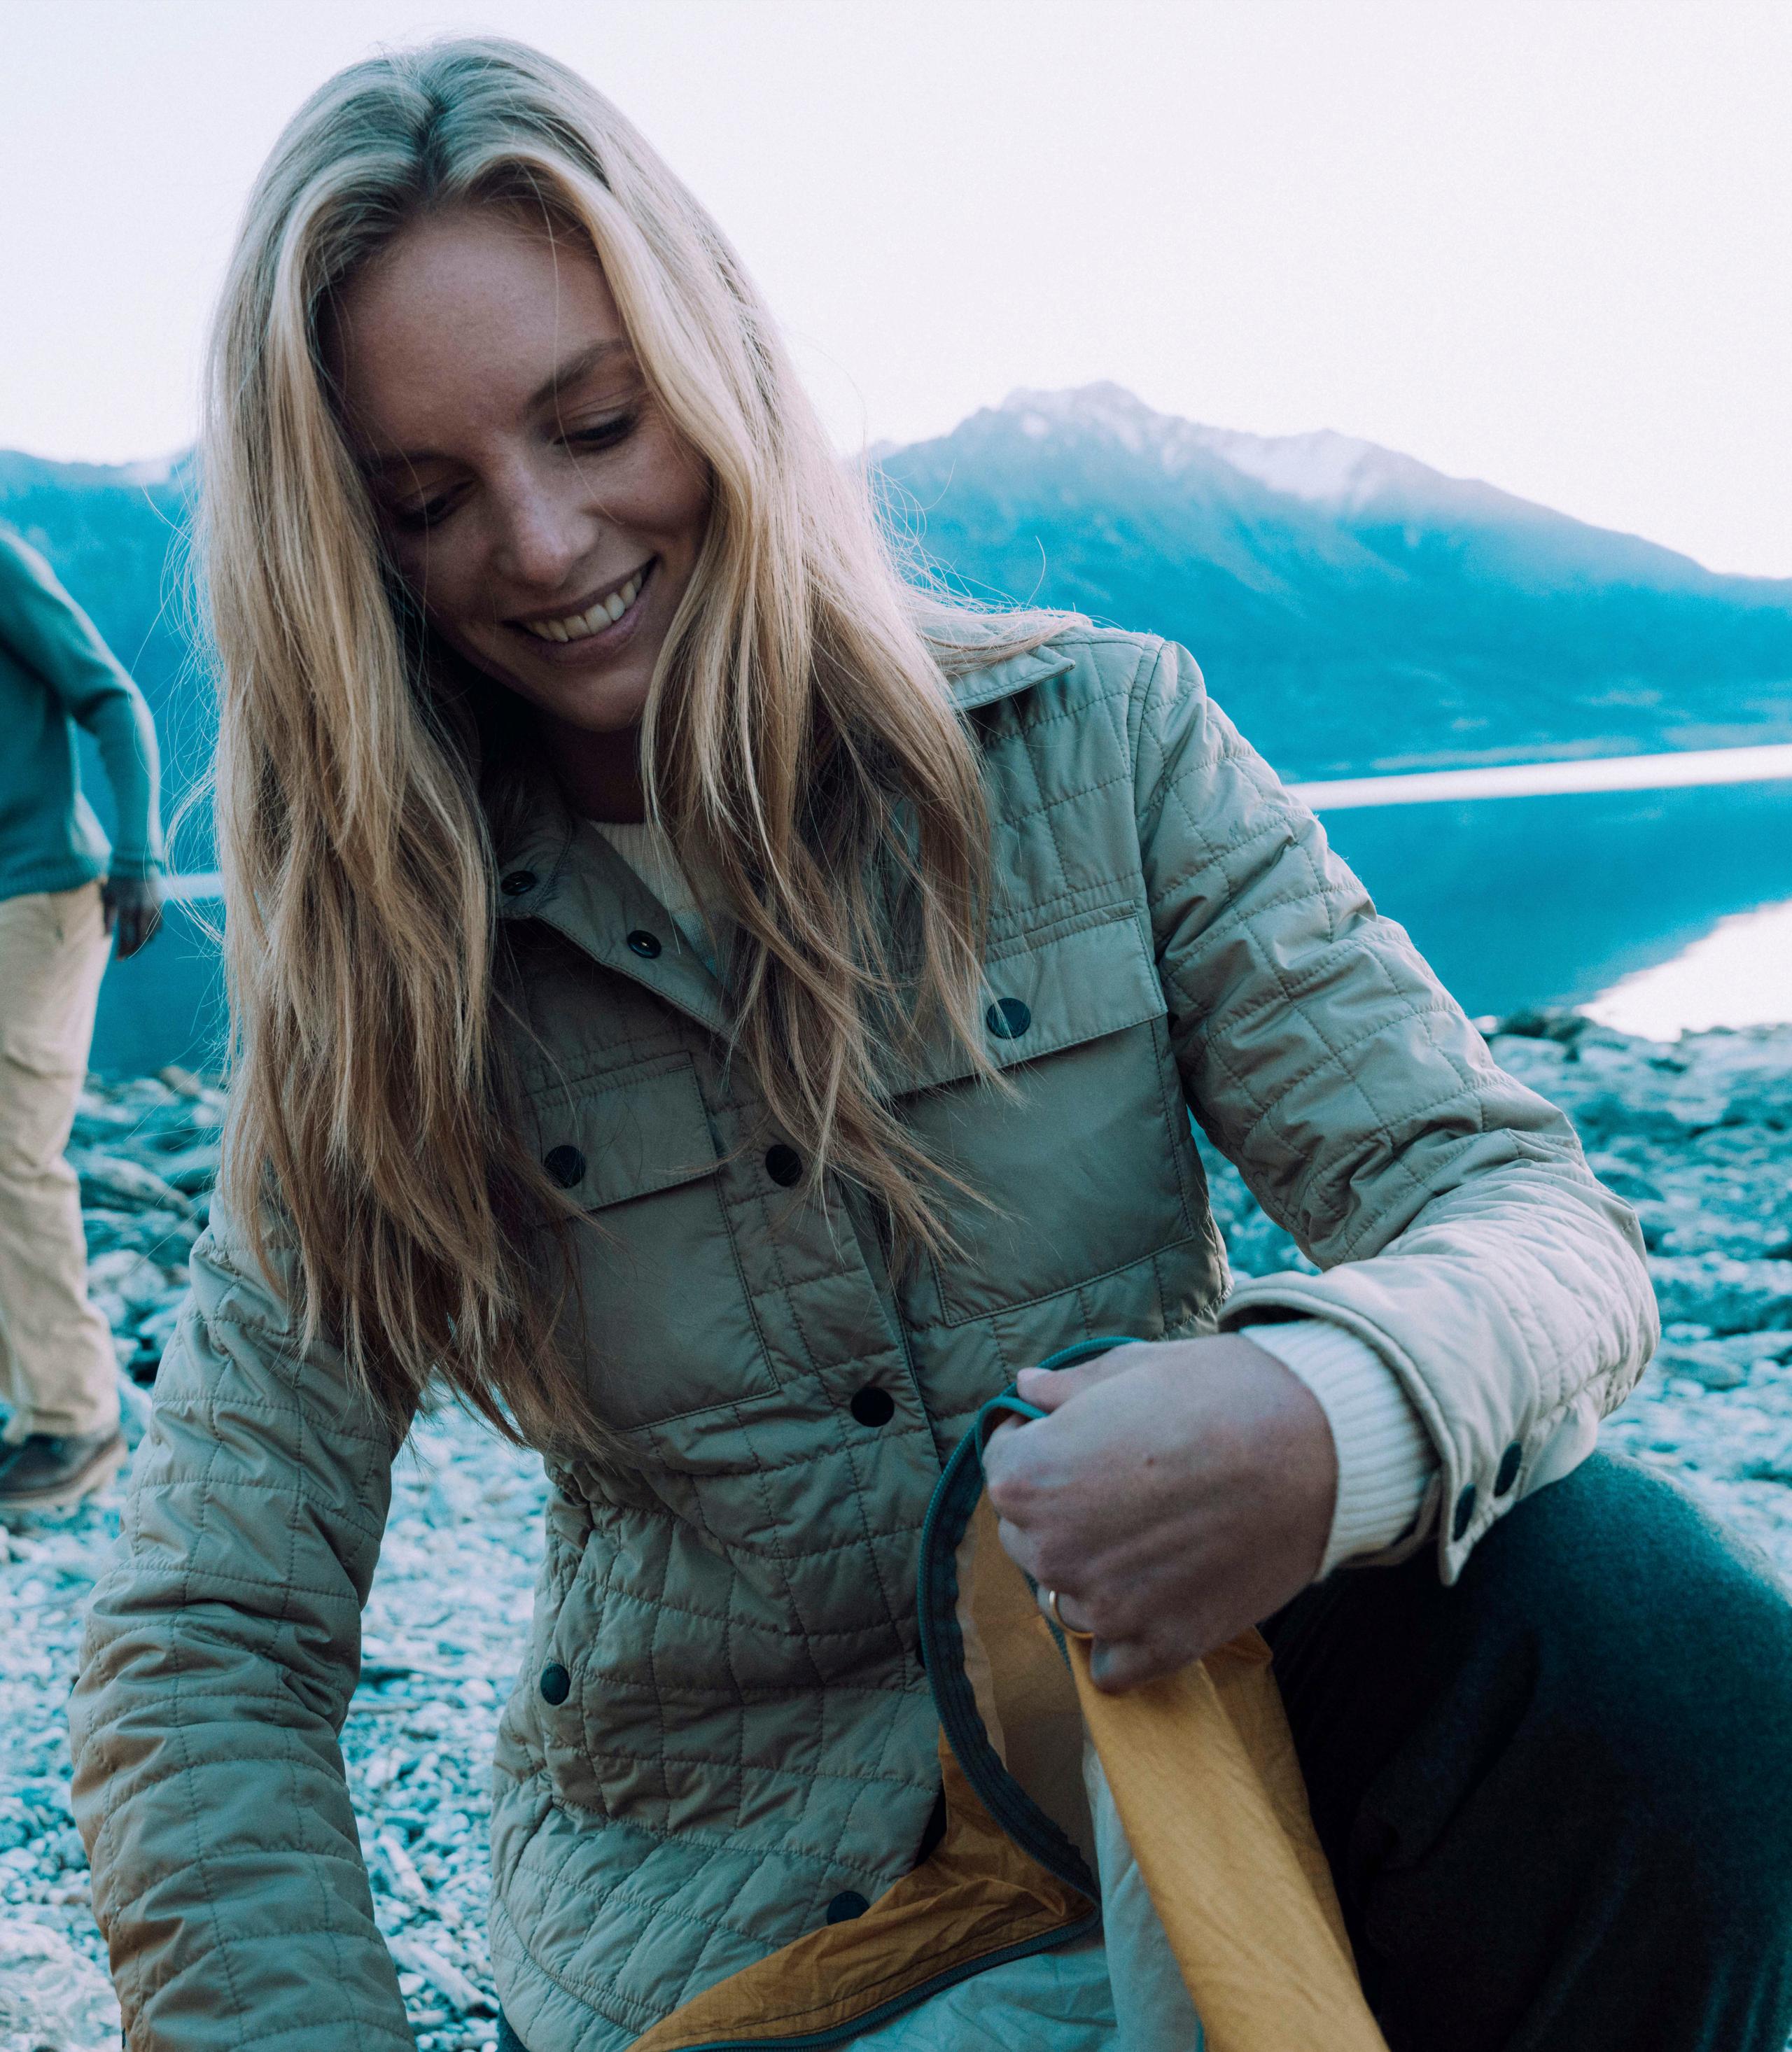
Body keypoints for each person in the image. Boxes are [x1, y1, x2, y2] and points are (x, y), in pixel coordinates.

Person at [69, 37, 1792, 2052]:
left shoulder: (1106, 751)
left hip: (1198, 1758)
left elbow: (1523, 1210)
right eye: (430, 500)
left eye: (597, 421)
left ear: (716, 369)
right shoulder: (385, 986)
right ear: (346, 550)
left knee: (1651, 1631)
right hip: (738, 1916)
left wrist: (1332, 1414)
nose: (539, 545)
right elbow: (208, 1639)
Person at [0, 525, 162, 1510]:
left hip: (47, 894)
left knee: (13, 1148)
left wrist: (139, 847)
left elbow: (111, 698)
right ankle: (37, 1405)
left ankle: (78, 1420)